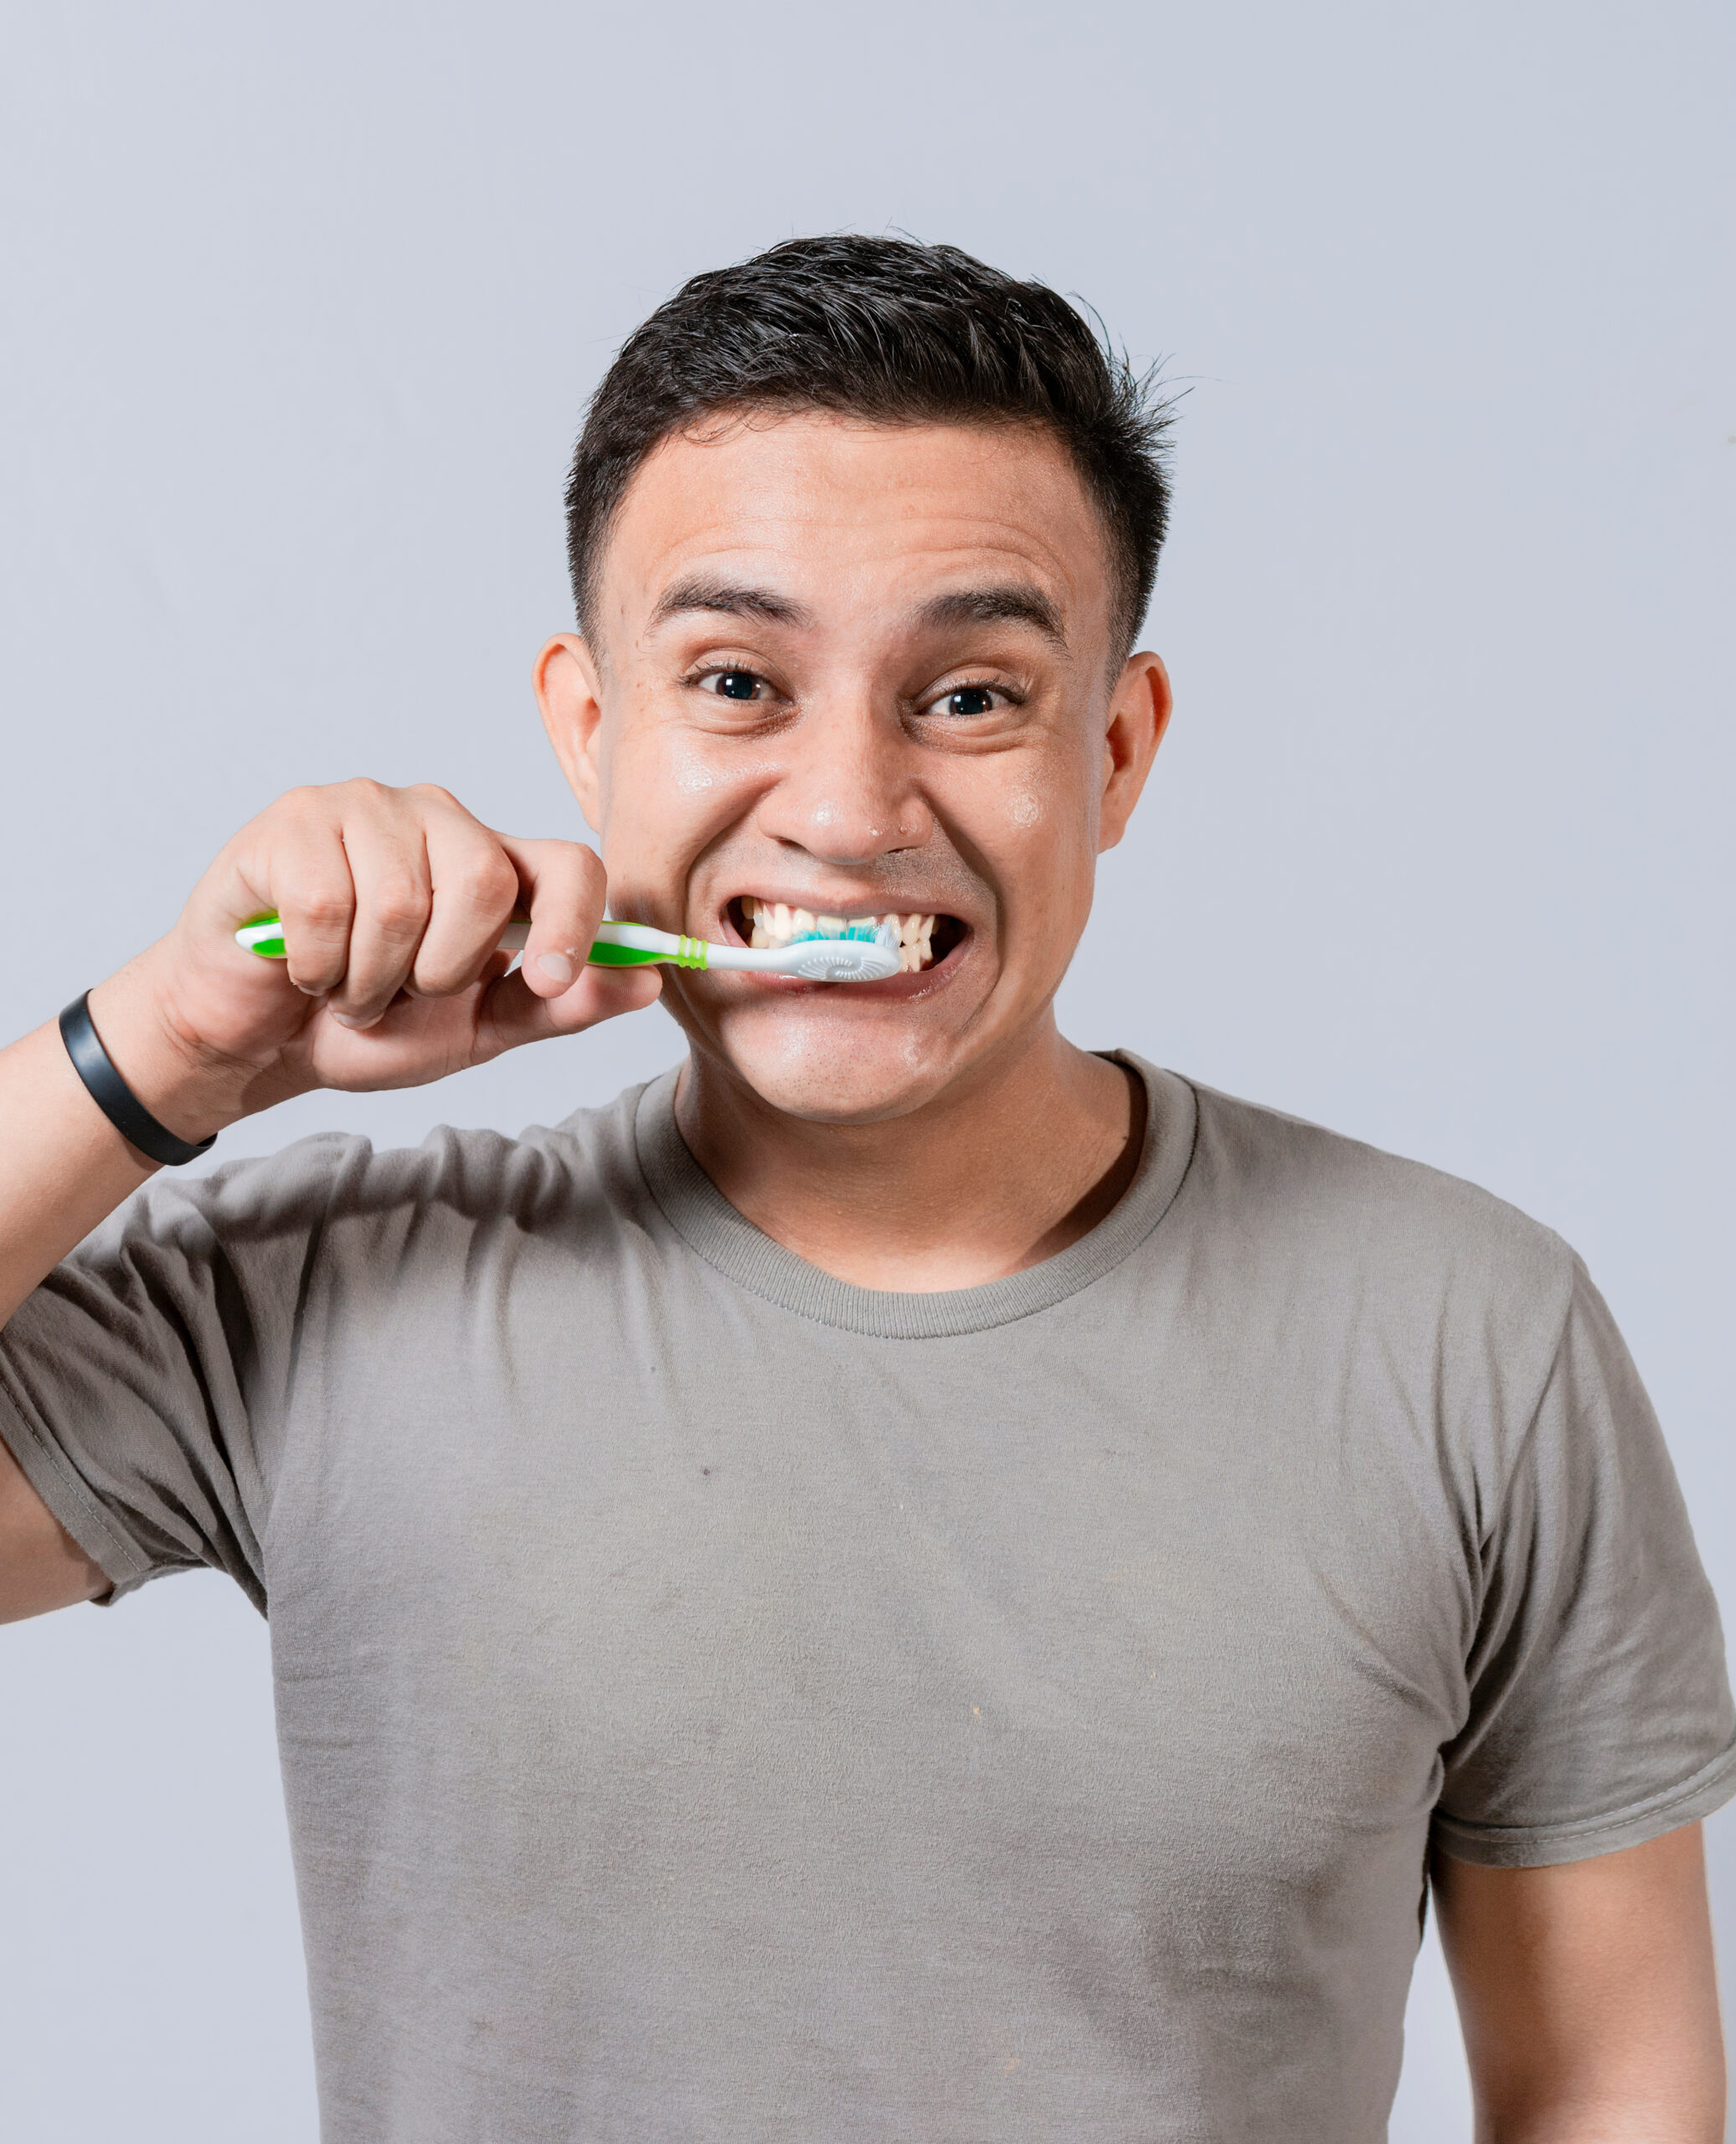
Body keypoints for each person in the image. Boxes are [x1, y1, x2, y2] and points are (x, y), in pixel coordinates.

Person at [0, 235, 1729, 2142]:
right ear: (589, 729)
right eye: (736, 679)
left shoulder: (1465, 1333)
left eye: (971, 696)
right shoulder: (319, 1302)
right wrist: (162, 1047)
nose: (845, 804)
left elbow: (1605, 2086)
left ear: (1117, 747)